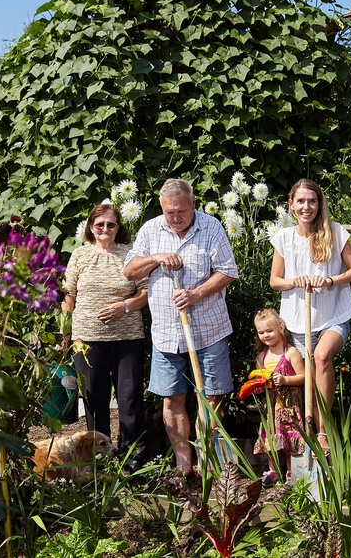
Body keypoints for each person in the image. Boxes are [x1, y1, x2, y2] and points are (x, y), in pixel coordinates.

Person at [123, 179, 239, 477]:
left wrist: (196, 294)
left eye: (182, 211)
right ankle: (183, 466)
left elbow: (228, 271)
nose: (175, 218)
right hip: (166, 332)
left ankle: (207, 463)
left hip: (209, 328)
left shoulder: (211, 227)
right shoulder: (151, 230)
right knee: (172, 398)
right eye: (169, 212)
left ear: (193, 203)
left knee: (210, 396)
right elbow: (129, 269)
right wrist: (155, 258)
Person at [269, 178, 351, 452]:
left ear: (320, 204)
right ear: (291, 205)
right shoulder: (284, 238)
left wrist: (330, 281)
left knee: (322, 357)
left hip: (333, 315)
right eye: (301, 201)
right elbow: (274, 280)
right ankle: (306, 435)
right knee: (306, 375)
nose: (306, 206)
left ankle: (323, 430)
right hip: (297, 319)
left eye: (312, 201)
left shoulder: (335, 232)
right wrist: (293, 281)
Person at [62, 204, 149, 469]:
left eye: (111, 224)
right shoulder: (79, 256)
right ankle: (99, 464)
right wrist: (65, 334)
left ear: (118, 227)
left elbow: (146, 293)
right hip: (87, 340)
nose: (105, 229)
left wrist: (123, 307)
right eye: (100, 224)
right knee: (94, 400)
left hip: (128, 338)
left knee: (130, 398)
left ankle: (132, 462)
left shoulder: (131, 254)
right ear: (90, 227)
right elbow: (69, 296)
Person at [249, 309, 306, 487]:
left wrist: (285, 380)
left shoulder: (291, 353)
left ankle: (290, 471)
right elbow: (260, 381)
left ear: (281, 328)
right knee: (270, 438)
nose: (265, 335)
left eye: (269, 331)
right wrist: (258, 389)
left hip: (289, 406)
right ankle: (272, 470)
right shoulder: (261, 356)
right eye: (261, 332)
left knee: (290, 438)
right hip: (271, 408)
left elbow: (304, 376)